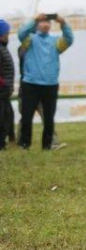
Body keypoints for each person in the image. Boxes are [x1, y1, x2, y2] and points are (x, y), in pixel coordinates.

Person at [17, 14, 73, 150]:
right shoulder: (29, 40)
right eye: (42, 22)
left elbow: (69, 39)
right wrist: (34, 19)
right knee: (26, 117)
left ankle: (47, 144)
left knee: (49, 118)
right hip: (30, 84)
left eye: (48, 22)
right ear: (37, 25)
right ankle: (25, 144)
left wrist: (63, 23)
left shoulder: (56, 42)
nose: (45, 24)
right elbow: (21, 33)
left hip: (50, 84)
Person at [0, 19, 14, 149]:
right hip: (2, 90)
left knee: (7, 115)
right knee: (3, 117)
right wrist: (3, 83)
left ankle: (3, 141)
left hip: (5, 90)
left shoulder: (3, 47)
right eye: (6, 33)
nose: (7, 35)